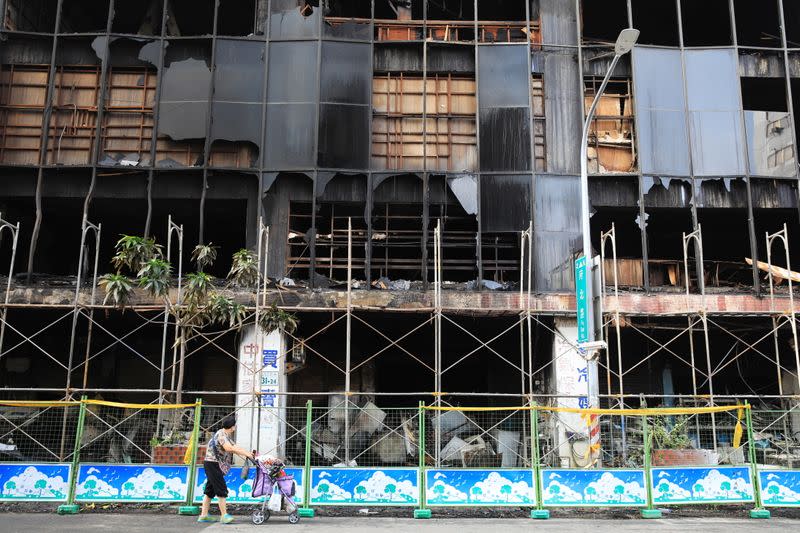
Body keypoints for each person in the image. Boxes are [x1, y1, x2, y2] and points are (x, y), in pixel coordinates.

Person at [197, 416, 254, 524]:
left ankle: (203, 516)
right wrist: (246, 454)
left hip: (213, 464)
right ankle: (224, 516)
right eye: (234, 426)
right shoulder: (221, 434)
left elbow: (235, 447)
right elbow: (229, 448)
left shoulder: (225, 435)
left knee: (210, 490)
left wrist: (249, 454)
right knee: (221, 489)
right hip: (213, 464)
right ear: (232, 427)